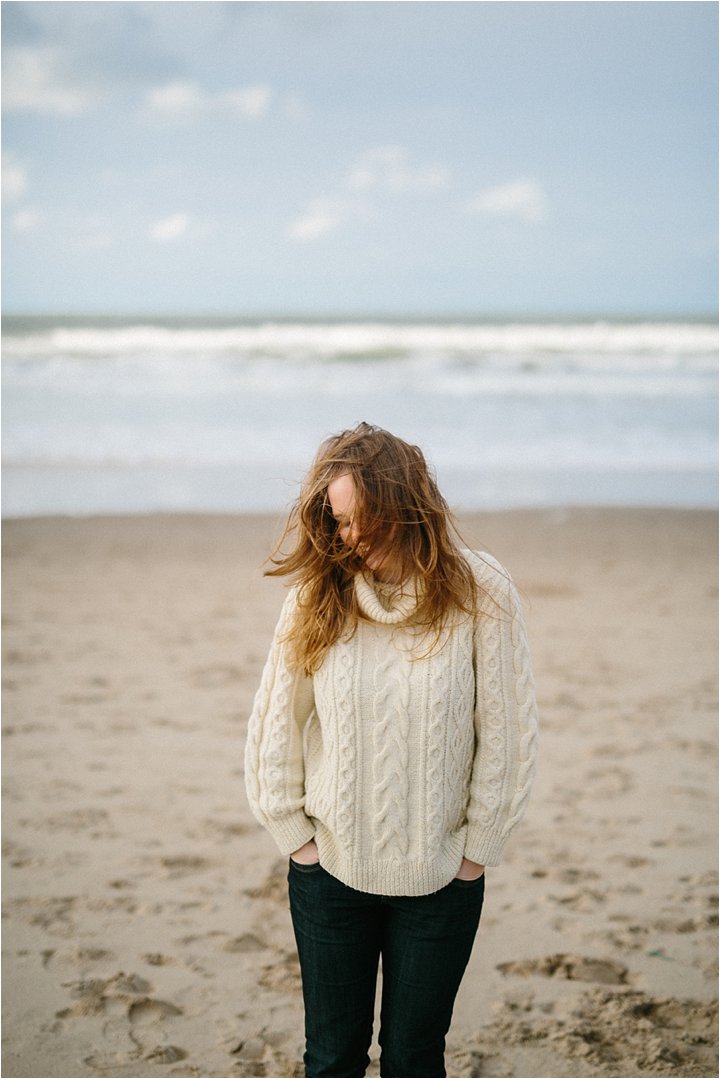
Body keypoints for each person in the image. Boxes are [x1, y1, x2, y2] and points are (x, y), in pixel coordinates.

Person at [245, 421, 538, 1079]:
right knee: (332, 1058)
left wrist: (475, 851)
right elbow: (274, 728)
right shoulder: (317, 596)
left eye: (363, 519)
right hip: (330, 875)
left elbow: (508, 736)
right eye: (338, 521)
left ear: (406, 506)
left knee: (413, 1058)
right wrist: (296, 839)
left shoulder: (481, 590)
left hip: (441, 878)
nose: (349, 537)